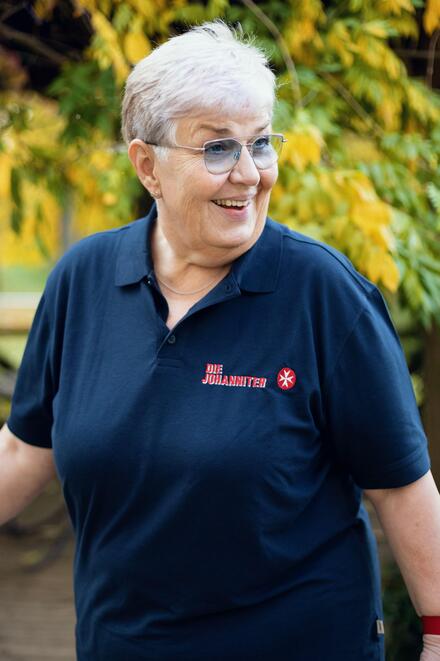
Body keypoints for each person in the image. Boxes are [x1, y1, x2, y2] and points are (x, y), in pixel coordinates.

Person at [1, 19, 440, 661]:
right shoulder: (84, 279)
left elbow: (401, 486)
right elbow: (23, 450)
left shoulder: (323, 293)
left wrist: (436, 637)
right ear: (147, 165)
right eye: (217, 149)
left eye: (261, 144)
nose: (249, 174)